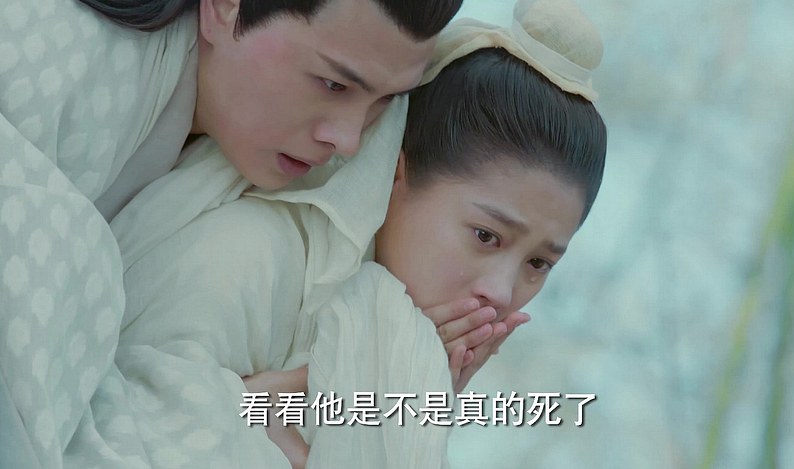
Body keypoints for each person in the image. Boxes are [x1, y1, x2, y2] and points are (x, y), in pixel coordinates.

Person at [72, 0, 606, 467]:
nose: (501, 291)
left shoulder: (388, 346)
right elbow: (111, 437)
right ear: (398, 173)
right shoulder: (245, 256)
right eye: (486, 236)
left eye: (539, 264)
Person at [0, 1, 461, 467]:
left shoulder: (244, 155)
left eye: (385, 101)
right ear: (223, 8)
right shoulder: (54, 52)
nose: (349, 139)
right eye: (333, 84)